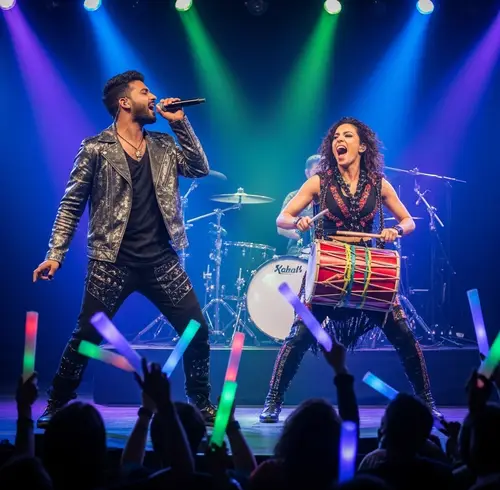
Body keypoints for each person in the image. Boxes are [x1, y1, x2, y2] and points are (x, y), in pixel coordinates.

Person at [33, 70, 216, 428]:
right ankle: (57, 402)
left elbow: (200, 168)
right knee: (86, 335)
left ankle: (201, 402)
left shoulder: (163, 145)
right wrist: (55, 254)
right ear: (124, 102)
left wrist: (179, 124)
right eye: (145, 92)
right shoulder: (96, 148)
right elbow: (71, 205)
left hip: (161, 260)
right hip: (111, 261)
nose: (153, 97)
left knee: (197, 329)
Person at [260, 117, 441, 423]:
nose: (339, 141)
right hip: (327, 270)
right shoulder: (319, 182)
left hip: (367, 272)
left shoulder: (379, 184)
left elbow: (408, 221)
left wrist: (395, 230)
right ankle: (273, 401)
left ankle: (426, 401)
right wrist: (298, 221)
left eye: (347, 136)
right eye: (335, 137)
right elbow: (282, 218)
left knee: (403, 335)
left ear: (362, 146)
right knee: (299, 336)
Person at [277, 154, 321, 256]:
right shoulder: (293, 196)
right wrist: (304, 236)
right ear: (307, 173)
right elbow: (281, 228)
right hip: (297, 251)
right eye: (317, 173)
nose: (320, 177)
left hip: (321, 251)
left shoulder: (330, 197)